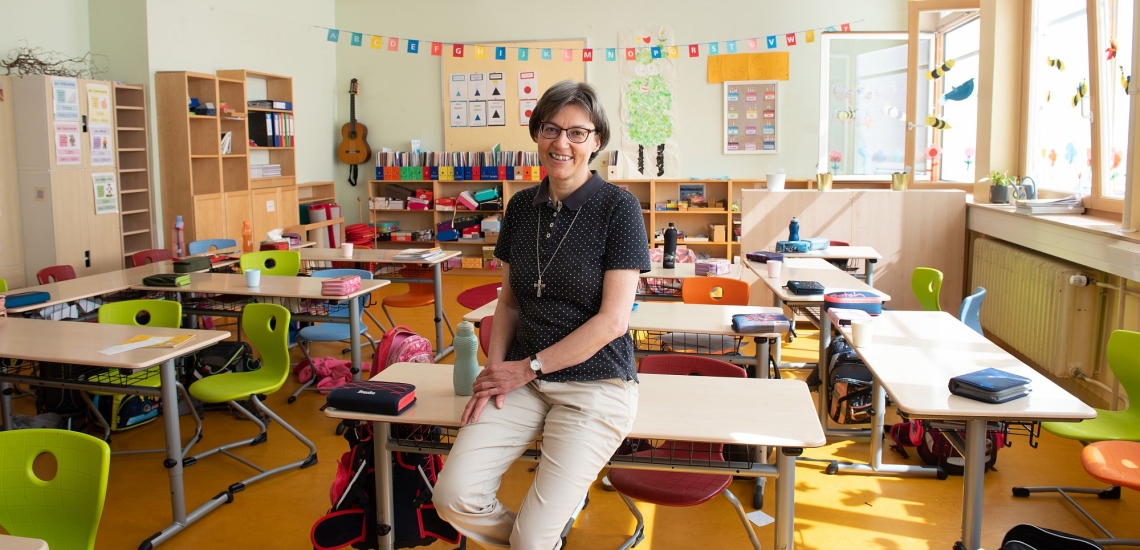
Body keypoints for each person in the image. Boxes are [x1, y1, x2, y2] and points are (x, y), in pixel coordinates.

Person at [434, 80, 650, 549]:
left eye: (577, 133)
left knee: (531, 541)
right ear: (536, 135)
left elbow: (614, 322)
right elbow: (509, 301)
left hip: (595, 385)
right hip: (522, 379)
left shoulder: (620, 208)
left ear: (596, 141)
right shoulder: (520, 207)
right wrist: (496, 367)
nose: (561, 143)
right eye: (551, 129)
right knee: (453, 496)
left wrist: (525, 367)